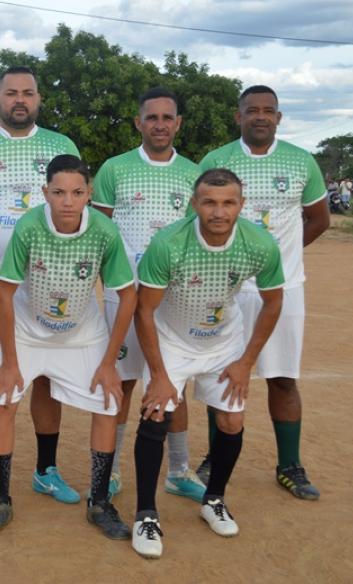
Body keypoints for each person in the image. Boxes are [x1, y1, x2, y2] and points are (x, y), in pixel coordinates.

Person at [0, 154, 135, 541]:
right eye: (59, 192)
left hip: (82, 332)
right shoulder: (30, 227)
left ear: (89, 194)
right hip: (30, 330)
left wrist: (110, 362)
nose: (68, 201)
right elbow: (4, 293)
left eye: (77, 192)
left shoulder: (104, 231)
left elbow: (127, 297)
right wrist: (10, 362)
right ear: (45, 192)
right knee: (2, 401)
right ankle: (0, 499)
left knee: (108, 402)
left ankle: (99, 501)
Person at [131, 168, 284, 558]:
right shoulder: (167, 244)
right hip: (171, 339)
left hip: (224, 341)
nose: (219, 211)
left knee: (231, 419)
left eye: (228, 202)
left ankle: (214, 499)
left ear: (241, 205)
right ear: (195, 203)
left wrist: (246, 362)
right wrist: (162, 376)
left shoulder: (260, 243)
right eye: (210, 202)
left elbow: (273, 302)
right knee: (156, 414)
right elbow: (144, 312)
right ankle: (145, 515)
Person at [0, 66, 83, 503]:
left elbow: (75, 211)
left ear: (38, 99)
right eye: (11, 93)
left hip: (47, 286)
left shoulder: (61, 145)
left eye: (27, 93)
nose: (19, 100)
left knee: (43, 377)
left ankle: (46, 469)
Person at [197, 85, 329, 499]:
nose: (260, 116)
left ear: (279, 117)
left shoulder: (300, 160)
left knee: (283, 378)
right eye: (251, 110)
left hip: (282, 289)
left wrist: (273, 262)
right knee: (220, 376)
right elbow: (200, 219)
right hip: (226, 289)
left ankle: (290, 464)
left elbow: (319, 219)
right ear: (238, 117)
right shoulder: (217, 160)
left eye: (268, 111)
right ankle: (214, 459)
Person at [91, 87, 204, 502]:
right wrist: (111, 285)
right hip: (123, 298)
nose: (159, 124)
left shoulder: (194, 174)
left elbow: (198, 237)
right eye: (151, 117)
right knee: (119, 385)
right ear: (138, 123)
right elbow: (97, 233)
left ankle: (178, 470)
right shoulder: (114, 169)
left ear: (177, 124)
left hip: (172, 300)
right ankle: (114, 468)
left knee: (171, 382)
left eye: (167, 117)